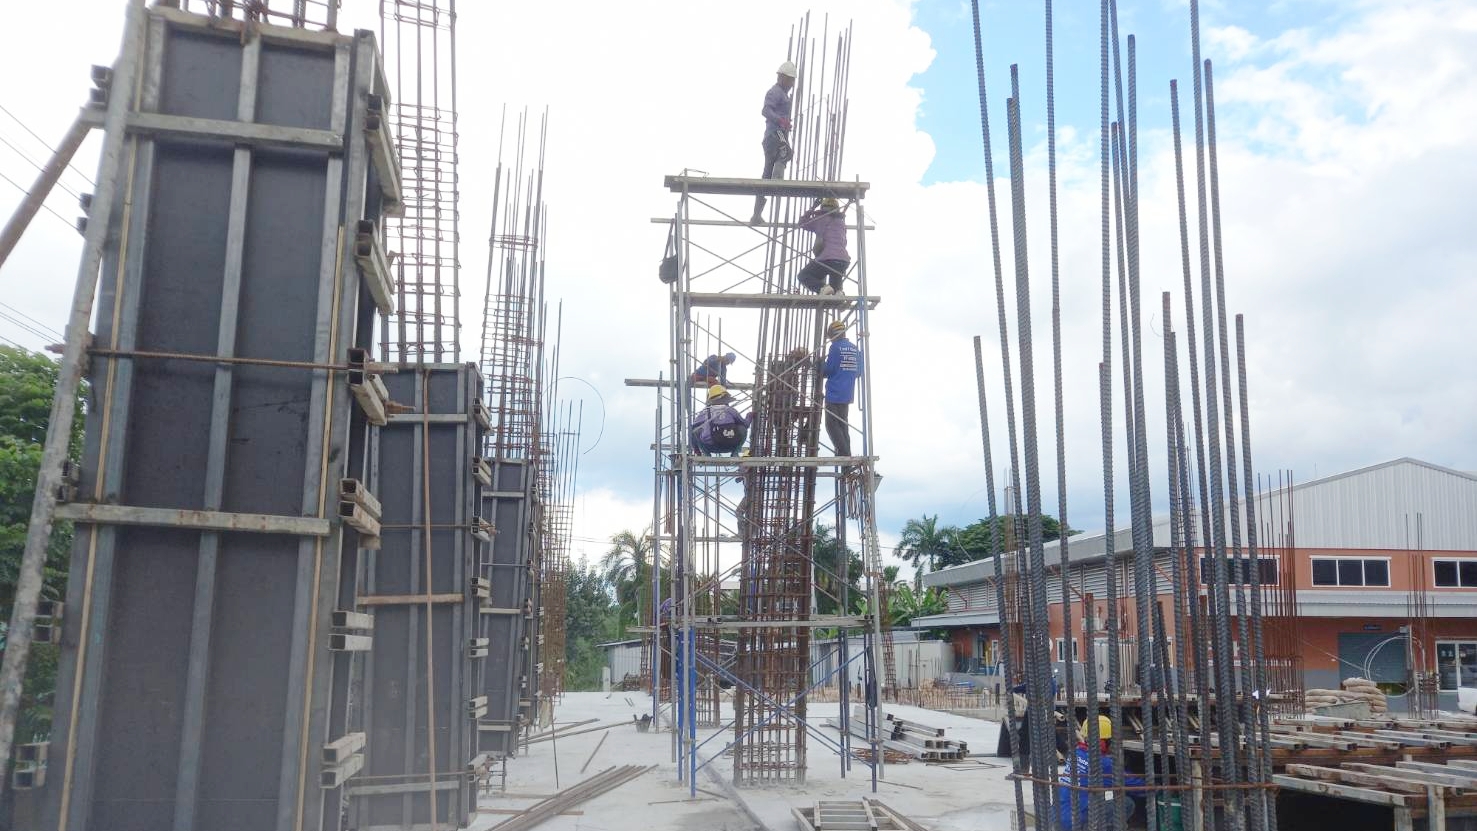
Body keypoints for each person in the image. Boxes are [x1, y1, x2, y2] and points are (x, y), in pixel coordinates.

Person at [1057, 715, 1147, 830]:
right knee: (1127, 803)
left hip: (1058, 817)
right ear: (1104, 742)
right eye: (1109, 740)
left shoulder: (1076, 752)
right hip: (1076, 822)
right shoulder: (1103, 763)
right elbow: (1135, 785)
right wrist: (1156, 786)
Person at [750, 60, 797, 225]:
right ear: (782, 77)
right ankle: (777, 182)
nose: (791, 84)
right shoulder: (775, 92)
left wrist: (785, 122)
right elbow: (765, 110)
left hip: (773, 135)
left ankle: (756, 214)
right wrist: (780, 121)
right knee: (786, 152)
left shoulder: (782, 94)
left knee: (766, 174)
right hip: (774, 134)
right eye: (790, 80)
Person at [820, 321, 862, 461]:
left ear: (833, 334)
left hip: (834, 393)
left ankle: (844, 455)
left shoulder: (835, 347)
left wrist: (819, 365)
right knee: (842, 426)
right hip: (847, 394)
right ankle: (846, 457)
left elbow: (828, 370)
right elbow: (858, 372)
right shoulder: (855, 349)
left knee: (831, 425)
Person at [797, 198, 850, 295]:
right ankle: (839, 292)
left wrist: (812, 208)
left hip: (827, 258)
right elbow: (844, 241)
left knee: (804, 275)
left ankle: (822, 287)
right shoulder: (841, 223)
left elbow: (802, 223)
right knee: (835, 291)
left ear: (822, 207)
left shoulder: (819, 219)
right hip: (843, 260)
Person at [690, 385, 750, 456]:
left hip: (710, 446)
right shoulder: (730, 410)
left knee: (696, 430)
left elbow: (693, 429)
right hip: (730, 444)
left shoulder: (705, 412)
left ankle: (706, 455)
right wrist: (749, 416)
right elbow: (745, 424)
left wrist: (696, 449)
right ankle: (735, 453)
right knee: (742, 428)